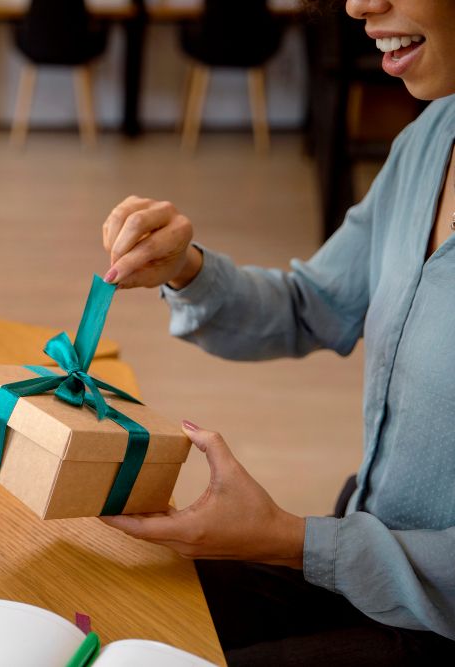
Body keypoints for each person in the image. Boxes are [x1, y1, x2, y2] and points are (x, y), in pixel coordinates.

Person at [97, 0, 455, 663]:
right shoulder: (432, 137)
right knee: (107, 601)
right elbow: (312, 304)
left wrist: (291, 540)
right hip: (364, 559)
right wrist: (186, 268)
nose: (358, 5)